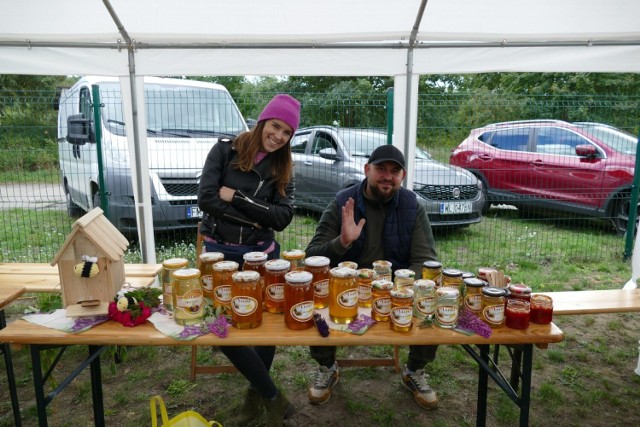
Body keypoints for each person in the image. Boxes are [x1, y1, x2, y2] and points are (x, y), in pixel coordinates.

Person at [304, 144, 440, 410]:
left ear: (403, 175)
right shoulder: (344, 202)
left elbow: (424, 259)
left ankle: (414, 371)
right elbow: (313, 256)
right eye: (380, 169)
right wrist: (342, 241)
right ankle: (327, 367)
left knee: (431, 300)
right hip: (346, 285)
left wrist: (409, 292)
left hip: (395, 288)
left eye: (394, 171)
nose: (387, 176)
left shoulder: (412, 206)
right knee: (314, 300)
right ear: (367, 170)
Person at [197, 94, 300, 426]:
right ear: (262, 122)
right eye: (275, 126)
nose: (279, 136)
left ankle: (256, 396)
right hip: (218, 254)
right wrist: (257, 218)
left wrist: (238, 196)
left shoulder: (283, 166)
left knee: (265, 326)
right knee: (219, 326)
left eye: (287, 132)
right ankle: (272, 396)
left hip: (261, 258)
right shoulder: (225, 150)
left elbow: (282, 217)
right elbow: (207, 198)